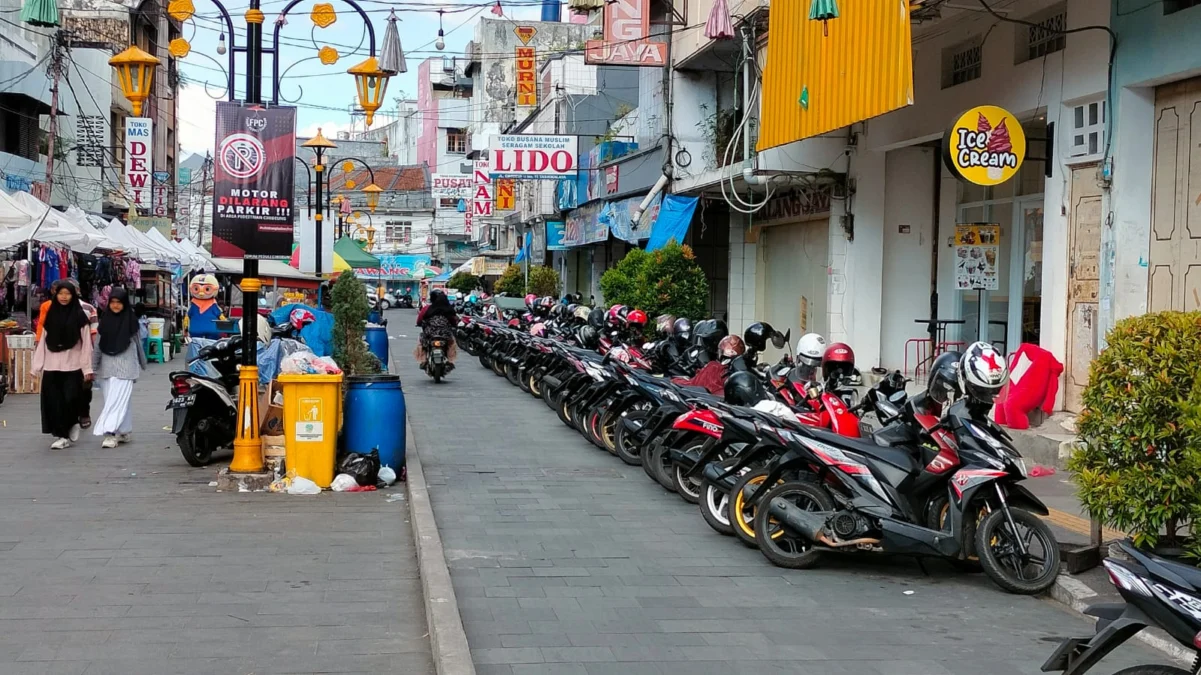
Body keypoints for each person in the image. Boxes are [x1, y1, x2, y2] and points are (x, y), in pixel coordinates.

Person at [32, 280, 94, 449]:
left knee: (71, 399)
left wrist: (87, 368)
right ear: (55, 295)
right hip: (52, 366)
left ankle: (73, 422)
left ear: (73, 295)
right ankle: (62, 435)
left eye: (67, 294)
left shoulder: (80, 316)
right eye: (61, 293)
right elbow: (43, 340)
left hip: (73, 366)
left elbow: (87, 344)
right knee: (54, 403)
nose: (64, 297)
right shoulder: (50, 315)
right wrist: (37, 366)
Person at [92, 288, 146, 448]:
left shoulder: (131, 322)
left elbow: (138, 345)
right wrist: (93, 367)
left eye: (119, 303)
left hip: (126, 368)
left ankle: (109, 433)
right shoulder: (104, 322)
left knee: (117, 400)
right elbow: (98, 346)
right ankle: (124, 430)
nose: (115, 306)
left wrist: (142, 364)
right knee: (114, 400)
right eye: (113, 302)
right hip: (107, 368)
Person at [414, 289, 458, 365]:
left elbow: (419, 320)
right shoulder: (449, 309)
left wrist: (419, 323)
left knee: (421, 343)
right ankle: (450, 361)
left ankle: (423, 360)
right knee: (452, 344)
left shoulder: (427, 308)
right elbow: (454, 321)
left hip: (429, 334)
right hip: (445, 335)